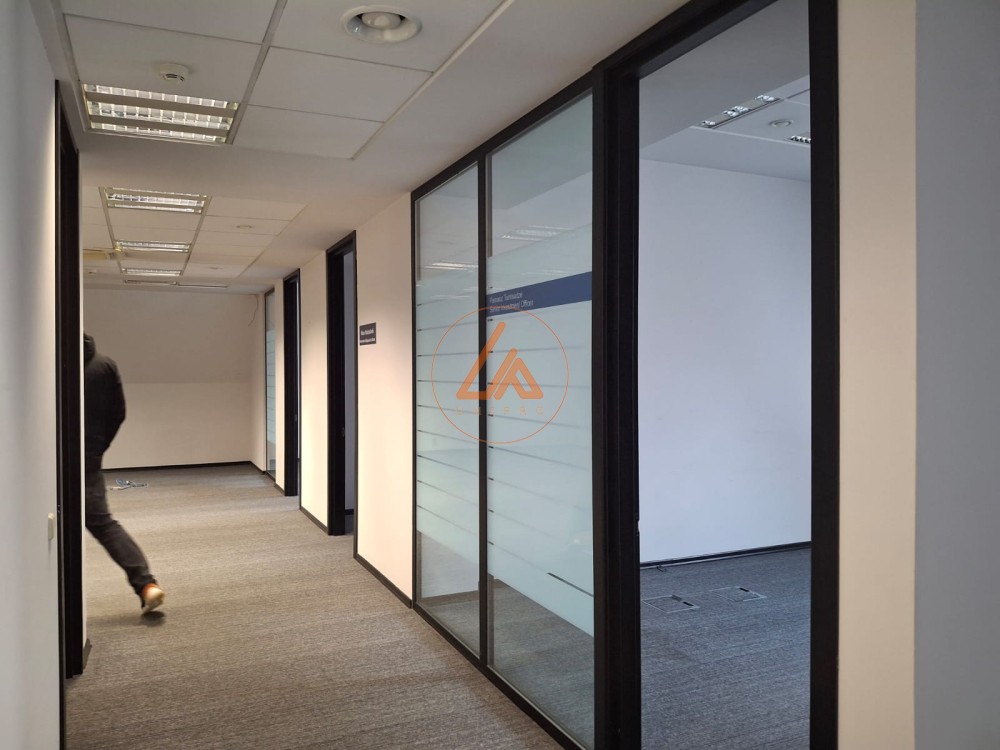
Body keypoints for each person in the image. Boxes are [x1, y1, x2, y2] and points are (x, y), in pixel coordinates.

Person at [84, 333, 164, 614]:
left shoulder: (51, 364)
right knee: (103, 524)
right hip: (88, 458)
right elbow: (118, 413)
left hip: (47, 459)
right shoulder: (104, 365)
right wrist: (96, 448)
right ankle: (145, 584)